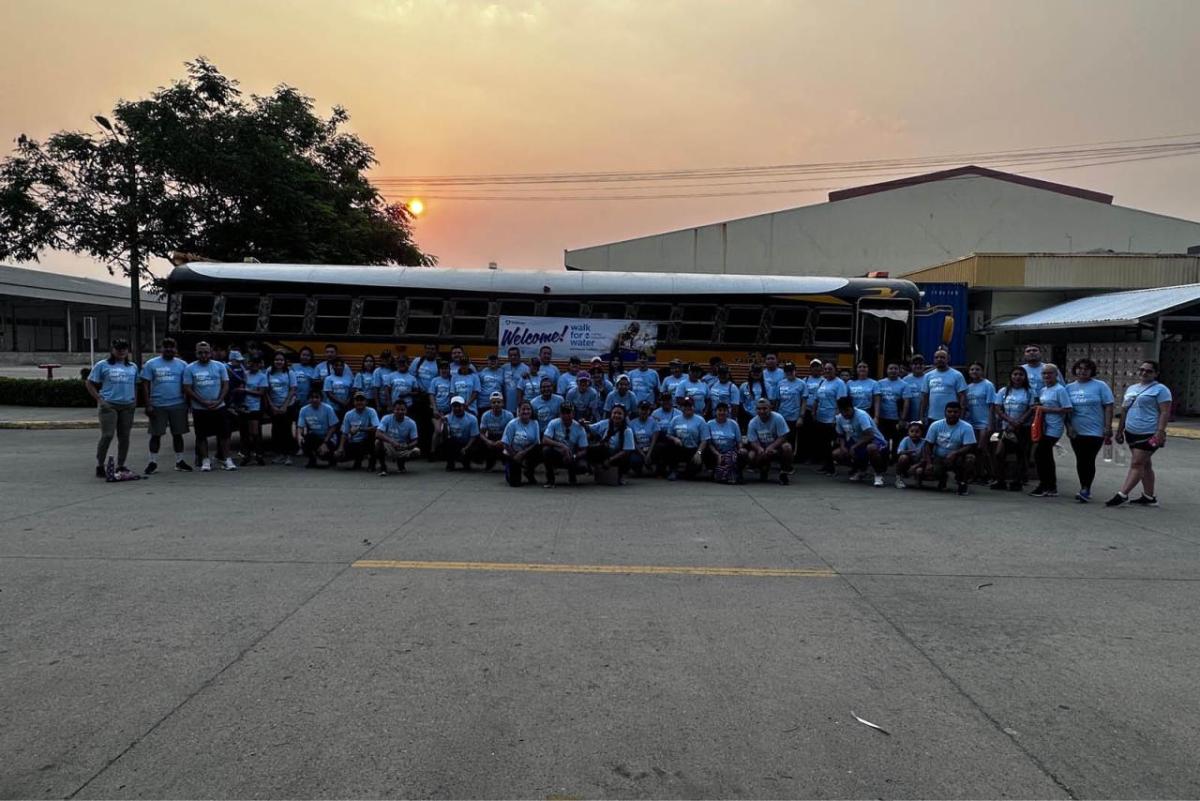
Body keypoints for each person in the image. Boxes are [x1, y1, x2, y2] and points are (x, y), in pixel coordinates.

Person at [1107, 361, 1172, 508]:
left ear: (1156, 374)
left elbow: (1165, 412)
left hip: (1149, 432)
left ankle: (1122, 494)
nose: (1144, 373)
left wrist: (1160, 432)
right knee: (1145, 464)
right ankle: (1149, 497)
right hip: (1131, 431)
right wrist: (1120, 430)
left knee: (1137, 463)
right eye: (1141, 370)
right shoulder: (1132, 388)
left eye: (1148, 371)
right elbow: (1124, 410)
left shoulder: (1161, 390)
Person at [86, 338, 140, 479]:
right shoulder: (103, 365)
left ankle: (121, 464)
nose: (121, 351)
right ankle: (100, 464)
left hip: (127, 405)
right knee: (107, 435)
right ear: (112, 350)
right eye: (118, 348)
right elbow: (90, 383)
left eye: (124, 348)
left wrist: (135, 400)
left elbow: (135, 384)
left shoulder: (132, 367)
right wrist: (99, 399)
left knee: (124, 437)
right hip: (109, 404)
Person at [1066, 358, 1114, 503]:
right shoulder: (1069, 388)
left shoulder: (1100, 386)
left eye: (1086, 369)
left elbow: (1108, 406)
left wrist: (1107, 427)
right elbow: (1066, 410)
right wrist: (1068, 427)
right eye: (1079, 368)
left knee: (1089, 459)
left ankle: (1086, 488)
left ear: (1092, 371)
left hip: (1095, 430)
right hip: (1076, 430)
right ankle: (1084, 487)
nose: (1082, 371)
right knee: (1080, 460)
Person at [183, 341, 236, 472]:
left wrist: (219, 401)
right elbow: (188, 388)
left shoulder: (220, 366)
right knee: (201, 435)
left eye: (206, 352)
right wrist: (202, 402)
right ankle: (205, 460)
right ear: (196, 353)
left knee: (224, 434)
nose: (204, 355)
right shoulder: (190, 368)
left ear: (211, 352)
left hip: (219, 406)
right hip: (200, 408)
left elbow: (225, 385)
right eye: (200, 352)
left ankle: (226, 459)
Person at [140, 337, 191, 474]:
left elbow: (187, 385)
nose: (169, 349)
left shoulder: (183, 365)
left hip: (178, 404)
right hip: (158, 405)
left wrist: (187, 403)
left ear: (176, 349)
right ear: (161, 348)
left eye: (172, 347)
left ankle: (179, 461)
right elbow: (145, 385)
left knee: (178, 434)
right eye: (166, 346)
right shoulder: (151, 364)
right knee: (155, 435)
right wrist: (148, 404)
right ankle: (152, 462)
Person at [1030, 363, 1072, 498]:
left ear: (1056, 375)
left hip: (1054, 428)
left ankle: (1048, 485)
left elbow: (1067, 409)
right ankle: (1047, 485)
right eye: (1044, 373)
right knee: (1043, 456)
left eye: (1050, 373)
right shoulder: (1043, 390)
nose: (1047, 376)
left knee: (1041, 454)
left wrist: (1046, 410)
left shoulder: (1060, 390)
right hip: (1043, 427)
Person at [991, 366, 1036, 492]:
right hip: (1006, 428)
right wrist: (1010, 421)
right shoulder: (1004, 391)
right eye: (1015, 374)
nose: (1017, 377)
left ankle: (1017, 481)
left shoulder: (1029, 392)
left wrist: (1019, 422)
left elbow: (1031, 409)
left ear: (1025, 377)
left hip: (1023, 428)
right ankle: (1000, 480)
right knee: (999, 453)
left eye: (1021, 375)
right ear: (1011, 376)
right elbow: (998, 408)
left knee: (1020, 455)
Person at [920, 401, 976, 495]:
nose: (952, 414)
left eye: (955, 412)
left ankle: (962, 483)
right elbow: (928, 445)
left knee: (970, 459)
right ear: (945, 412)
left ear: (960, 412)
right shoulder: (935, 425)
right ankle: (942, 479)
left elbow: (969, 446)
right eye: (949, 412)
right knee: (931, 471)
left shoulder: (967, 427)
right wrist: (929, 462)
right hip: (939, 457)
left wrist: (956, 453)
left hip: (957, 457)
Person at [802, 360, 848, 475]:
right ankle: (825, 466)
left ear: (835, 370)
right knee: (822, 443)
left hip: (831, 418)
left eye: (830, 369)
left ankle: (831, 468)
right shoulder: (823, 382)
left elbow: (841, 402)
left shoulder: (839, 383)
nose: (827, 371)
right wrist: (813, 412)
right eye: (826, 369)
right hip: (820, 418)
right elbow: (817, 399)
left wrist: (835, 418)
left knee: (829, 444)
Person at [832, 396, 888, 487]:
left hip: (875, 441)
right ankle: (861, 469)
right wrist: (843, 447)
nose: (845, 414)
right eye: (842, 411)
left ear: (852, 407)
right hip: (857, 441)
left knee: (871, 448)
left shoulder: (861, 415)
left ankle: (878, 474)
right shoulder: (839, 418)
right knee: (837, 454)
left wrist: (854, 447)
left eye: (847, 410)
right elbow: (841, 435)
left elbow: (870, 435)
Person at [656, 396, 710, 481]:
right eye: (685, 406)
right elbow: (668, 435)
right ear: (681, 407)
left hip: (693, 450)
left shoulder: (700, 420)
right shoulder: (675, 419)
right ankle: (673, 470)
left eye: (690, 406)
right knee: (668, 444)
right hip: (680, 448)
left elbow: (704, 440)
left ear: (694, 407)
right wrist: (675, 439)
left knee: (691, 474)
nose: (688, 408)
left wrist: (699, 453)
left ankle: (684, 473)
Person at [746, 397, 794, 485]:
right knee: (751, 456)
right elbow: (752, 441)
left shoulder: (778, 418)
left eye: (764, 408)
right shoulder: (752, 422)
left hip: (776, 448)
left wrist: (772, 447)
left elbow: (783, 436)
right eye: (759, 409)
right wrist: (759, 449)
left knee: (787, 447)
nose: (762, 411)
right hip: (761, 449)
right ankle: (763, 470)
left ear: (770, 408)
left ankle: (784, 473)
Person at [541, 402, 589, 487]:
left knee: (583, 466)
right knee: (546, 450)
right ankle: (550, 480)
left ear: (573, 414)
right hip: (558, 453)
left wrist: (573, 456)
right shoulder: (554, 423)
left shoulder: (579, 427)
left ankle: (572, 478)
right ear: (560, 414)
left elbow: (584, 449)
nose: (566, 415)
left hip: (572, 456)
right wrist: (561, 446)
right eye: (563, 413)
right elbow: (545, 439)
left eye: (568, 413)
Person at [964, 362, 996, 482]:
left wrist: (990, 424)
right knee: (974, 450)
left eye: (977, 369)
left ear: (982, 371)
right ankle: (977, 474)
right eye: (972, 369)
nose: (974, 372)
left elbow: (992, 405)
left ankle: (990, 474)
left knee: (982, 448)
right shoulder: (968, 387)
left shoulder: (988, 385)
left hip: (984, 422)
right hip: (972, 423)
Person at [587, 404, 635, 483]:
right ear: (611, 414)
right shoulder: (605, 423)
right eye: (614, 413)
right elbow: (590, 427)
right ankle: (596, 469)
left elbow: (626, 451)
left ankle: (621, 475)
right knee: (591, 448)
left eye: (619, 414)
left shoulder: (627, 430)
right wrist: (583, 423)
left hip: (619, 456)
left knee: (626, 457)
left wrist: (610, 460)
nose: (616, 415)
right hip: (606, 452)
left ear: (624, 416)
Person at [501, 400, 543, 487]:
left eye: (528, 409)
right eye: (523, 409)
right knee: (515, 484)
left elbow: (536, 443)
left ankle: (529, 471)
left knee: (541, 451)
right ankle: (510, 469)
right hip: (512, 452)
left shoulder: (535, 423)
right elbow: (505, 443)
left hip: (527, 451)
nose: (526, 411)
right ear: (519, 411)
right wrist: (515, 456)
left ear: (531, 411)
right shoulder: (512, 424)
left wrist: (523, 453)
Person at [435, 395, 483, 471]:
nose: (457, 408)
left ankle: (466, 462)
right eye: (454, 406)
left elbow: (474, 436)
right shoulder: (447, 418)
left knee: (476, 445)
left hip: (467, 443)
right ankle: (450, 463)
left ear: (464, 406)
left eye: (459, 406)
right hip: (455, 444)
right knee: (447, 442)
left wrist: (466, 448)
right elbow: (438, 432)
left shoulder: (472, 419)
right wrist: (440, 421)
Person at [920, 349, 967, 425]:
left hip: (952, 417)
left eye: (942, 357)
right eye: (936, 357)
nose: (939, 359)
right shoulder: (927, 376)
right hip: (932, 417)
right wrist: (921, 416)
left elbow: (962, 397)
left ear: (948, 359)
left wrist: (961, 416)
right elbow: (924, 398)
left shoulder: (957, 375)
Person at [265, 351, 297, 462]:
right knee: (276, 430)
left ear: (285, 362)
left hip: (287, 406)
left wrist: (284, 406)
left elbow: (292, 390)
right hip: (274, 406)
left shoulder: (290, 373)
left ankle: (288, 455)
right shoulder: (269, 371)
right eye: (277, 360)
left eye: (281, 360)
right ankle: (279, 453)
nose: (279, 362)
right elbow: (266, 390)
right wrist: (272, 405)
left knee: (286, 430)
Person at [374, 399, 420, 476]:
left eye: (402, 410)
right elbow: (378, 433)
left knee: (416, 451)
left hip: (402, 447)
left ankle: (401, 464)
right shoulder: (386, 418)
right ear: (393, 410)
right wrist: (391, 441)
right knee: (377, 442)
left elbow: (415, 440)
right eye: (397, 409)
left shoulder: (411, 423)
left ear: (406, 411)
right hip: (389, 445)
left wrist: (407, 446)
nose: (400, 412)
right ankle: (383, 467)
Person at [296, 388, 340, 468]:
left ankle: (331, 458)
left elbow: (333, 427)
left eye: (317, 397)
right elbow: (300, 426)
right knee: (304, 440)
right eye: (312, 397)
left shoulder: (328, 409)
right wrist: (299, 436)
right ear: (309, 399)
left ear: (321, 398)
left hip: (328, 438)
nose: (314, 399)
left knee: (325, 454)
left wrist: (325, 443)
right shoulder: (304, 410)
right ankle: (312, 460)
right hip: (315, 437)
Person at [704, 401, 747, 484]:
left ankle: (737, 473)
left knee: (743, 453)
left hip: (730, 452)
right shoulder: (709, 424)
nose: (722, 412)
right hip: (715, 452)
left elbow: (739, 441)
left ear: (728, 412)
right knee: (706, 451)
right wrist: (717, 454)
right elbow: (709, 443)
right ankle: (716, 472)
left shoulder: (734, 424)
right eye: (719, 410)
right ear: (715, 412)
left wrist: (741, 448)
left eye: (724, 410)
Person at [335, 392, 379, 470]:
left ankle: (372, 462)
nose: (359, 402)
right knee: (338, 456)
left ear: (366, 402)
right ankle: (357, 460)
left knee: (374, 435)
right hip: (353, 441)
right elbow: (344, 433)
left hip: (366, 441)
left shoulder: (371, 411)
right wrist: (340, 447)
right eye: (357, 400)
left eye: (362, 400)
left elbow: (376, 427)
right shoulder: (348, 414)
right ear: (354, 402)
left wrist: (360, 429)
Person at [239, 352, 268, 466]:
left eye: (256, 363)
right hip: (243, 407)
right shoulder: (245, 374)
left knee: (255, 433)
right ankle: (246, 455)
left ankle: (259, 455)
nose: (254, 365)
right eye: (252, 362)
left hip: (255, 407)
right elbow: (240, 385)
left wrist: (246, 391)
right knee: (245, 433)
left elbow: (261, 393)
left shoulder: (262, 376)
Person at [477, 391, 515, 470]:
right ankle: (489, 462)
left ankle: (507, 462)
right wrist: (488, 441)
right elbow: (481, 433)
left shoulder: (509, 415)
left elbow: (512, 433)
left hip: (505, 438)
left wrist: (502, 441)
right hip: (491, 437)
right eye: (493, 402)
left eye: (498, 402)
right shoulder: (485, 415)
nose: (496, 404)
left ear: (503, 403)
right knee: (481, 442)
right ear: (490, 404)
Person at [876, 363, 907, 457]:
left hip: (896, 418)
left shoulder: (904, 384)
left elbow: (906, 402)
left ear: (899, 370)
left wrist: (903, 419)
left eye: (895, 368)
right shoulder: (879, 383)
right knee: (883, 441)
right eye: (891, 368)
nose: (893, 370)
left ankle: (894, 460)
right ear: (887, 370)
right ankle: (883, 461)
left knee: (896, 441)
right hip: (882, 417)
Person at [774, 361, 806, 448]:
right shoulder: (780, 383)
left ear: (795, 371)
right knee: (780, 439)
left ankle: (792, 458)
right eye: (787, 371)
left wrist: (801, 417)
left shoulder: (802, 384)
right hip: (781, 417)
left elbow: (803, 402)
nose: (789, 373)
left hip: (794, 417)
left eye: (791, 370)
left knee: (792, 440)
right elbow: (777, 401)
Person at [628, 400, 660, 476]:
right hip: (638, 449)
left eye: (646, 409)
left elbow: (654, 441)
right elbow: (633, 442)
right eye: (642, 409)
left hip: (650, 448)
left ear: (649, 411)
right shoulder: (632, 423)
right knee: (634, 460)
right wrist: (643, 454)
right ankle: (638, 469)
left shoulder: (654, 422)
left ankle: (657, 469)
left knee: (660, 448)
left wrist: (648, 454)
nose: (644, 411)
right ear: (638, 410)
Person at [894, 421, 925, 489]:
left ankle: (918, 481)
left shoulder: (924, 442)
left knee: (919, 471)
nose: (914, 434)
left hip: (919, 464)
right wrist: (909, 452)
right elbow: (899, 452)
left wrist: (915, 466)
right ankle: (898, 479)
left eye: (917, 432)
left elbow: (924, 458)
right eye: (912, 431)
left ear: (921, 433)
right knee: (903, 457)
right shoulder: (906, 440)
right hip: (908, 463)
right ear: (908, 432)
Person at [740, 364, 770, 429]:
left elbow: (770, 402)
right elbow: (741, 402)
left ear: (761, 373)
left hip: (763, 415)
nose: (756, 374)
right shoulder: (744, 386)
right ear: (750, 373)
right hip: (747, 416)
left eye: (758, 372)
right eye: (754, 372)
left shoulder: (767, 386)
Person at [500, 347, 530, 413]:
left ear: (519, 356)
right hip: (506, 404)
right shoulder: (504, 368)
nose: (513, 357)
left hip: (520, 405)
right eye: (511, 355)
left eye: (515, 355)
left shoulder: (526, 368)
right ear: (508, 357)